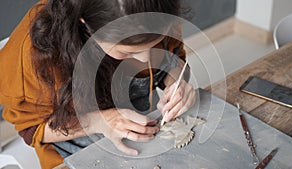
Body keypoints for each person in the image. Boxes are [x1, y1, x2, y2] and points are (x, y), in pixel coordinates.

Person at [0, 0, 196, 168]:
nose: (145, 59)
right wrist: (101, 121)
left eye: (154, 43)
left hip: (143, 128)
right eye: (129, 52)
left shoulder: (159, 13)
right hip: (73, 143)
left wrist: (175, 82)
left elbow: (173, 57)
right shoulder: (34, 57)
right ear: (86, 24)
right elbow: (32, 128)